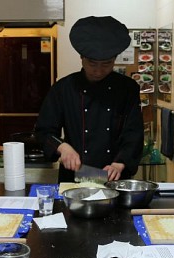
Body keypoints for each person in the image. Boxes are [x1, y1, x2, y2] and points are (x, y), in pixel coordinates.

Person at [35, 16, 144, 182]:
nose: (99, 71)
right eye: (92, 64)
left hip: (114, 178)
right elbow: (44, 132)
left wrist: (120, 163)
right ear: (81, 57)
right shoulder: (63, 89)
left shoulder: (127, 89)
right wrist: (63, 147)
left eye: (106, 64)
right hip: (74, 177)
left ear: (115, 59)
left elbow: (133, 133)